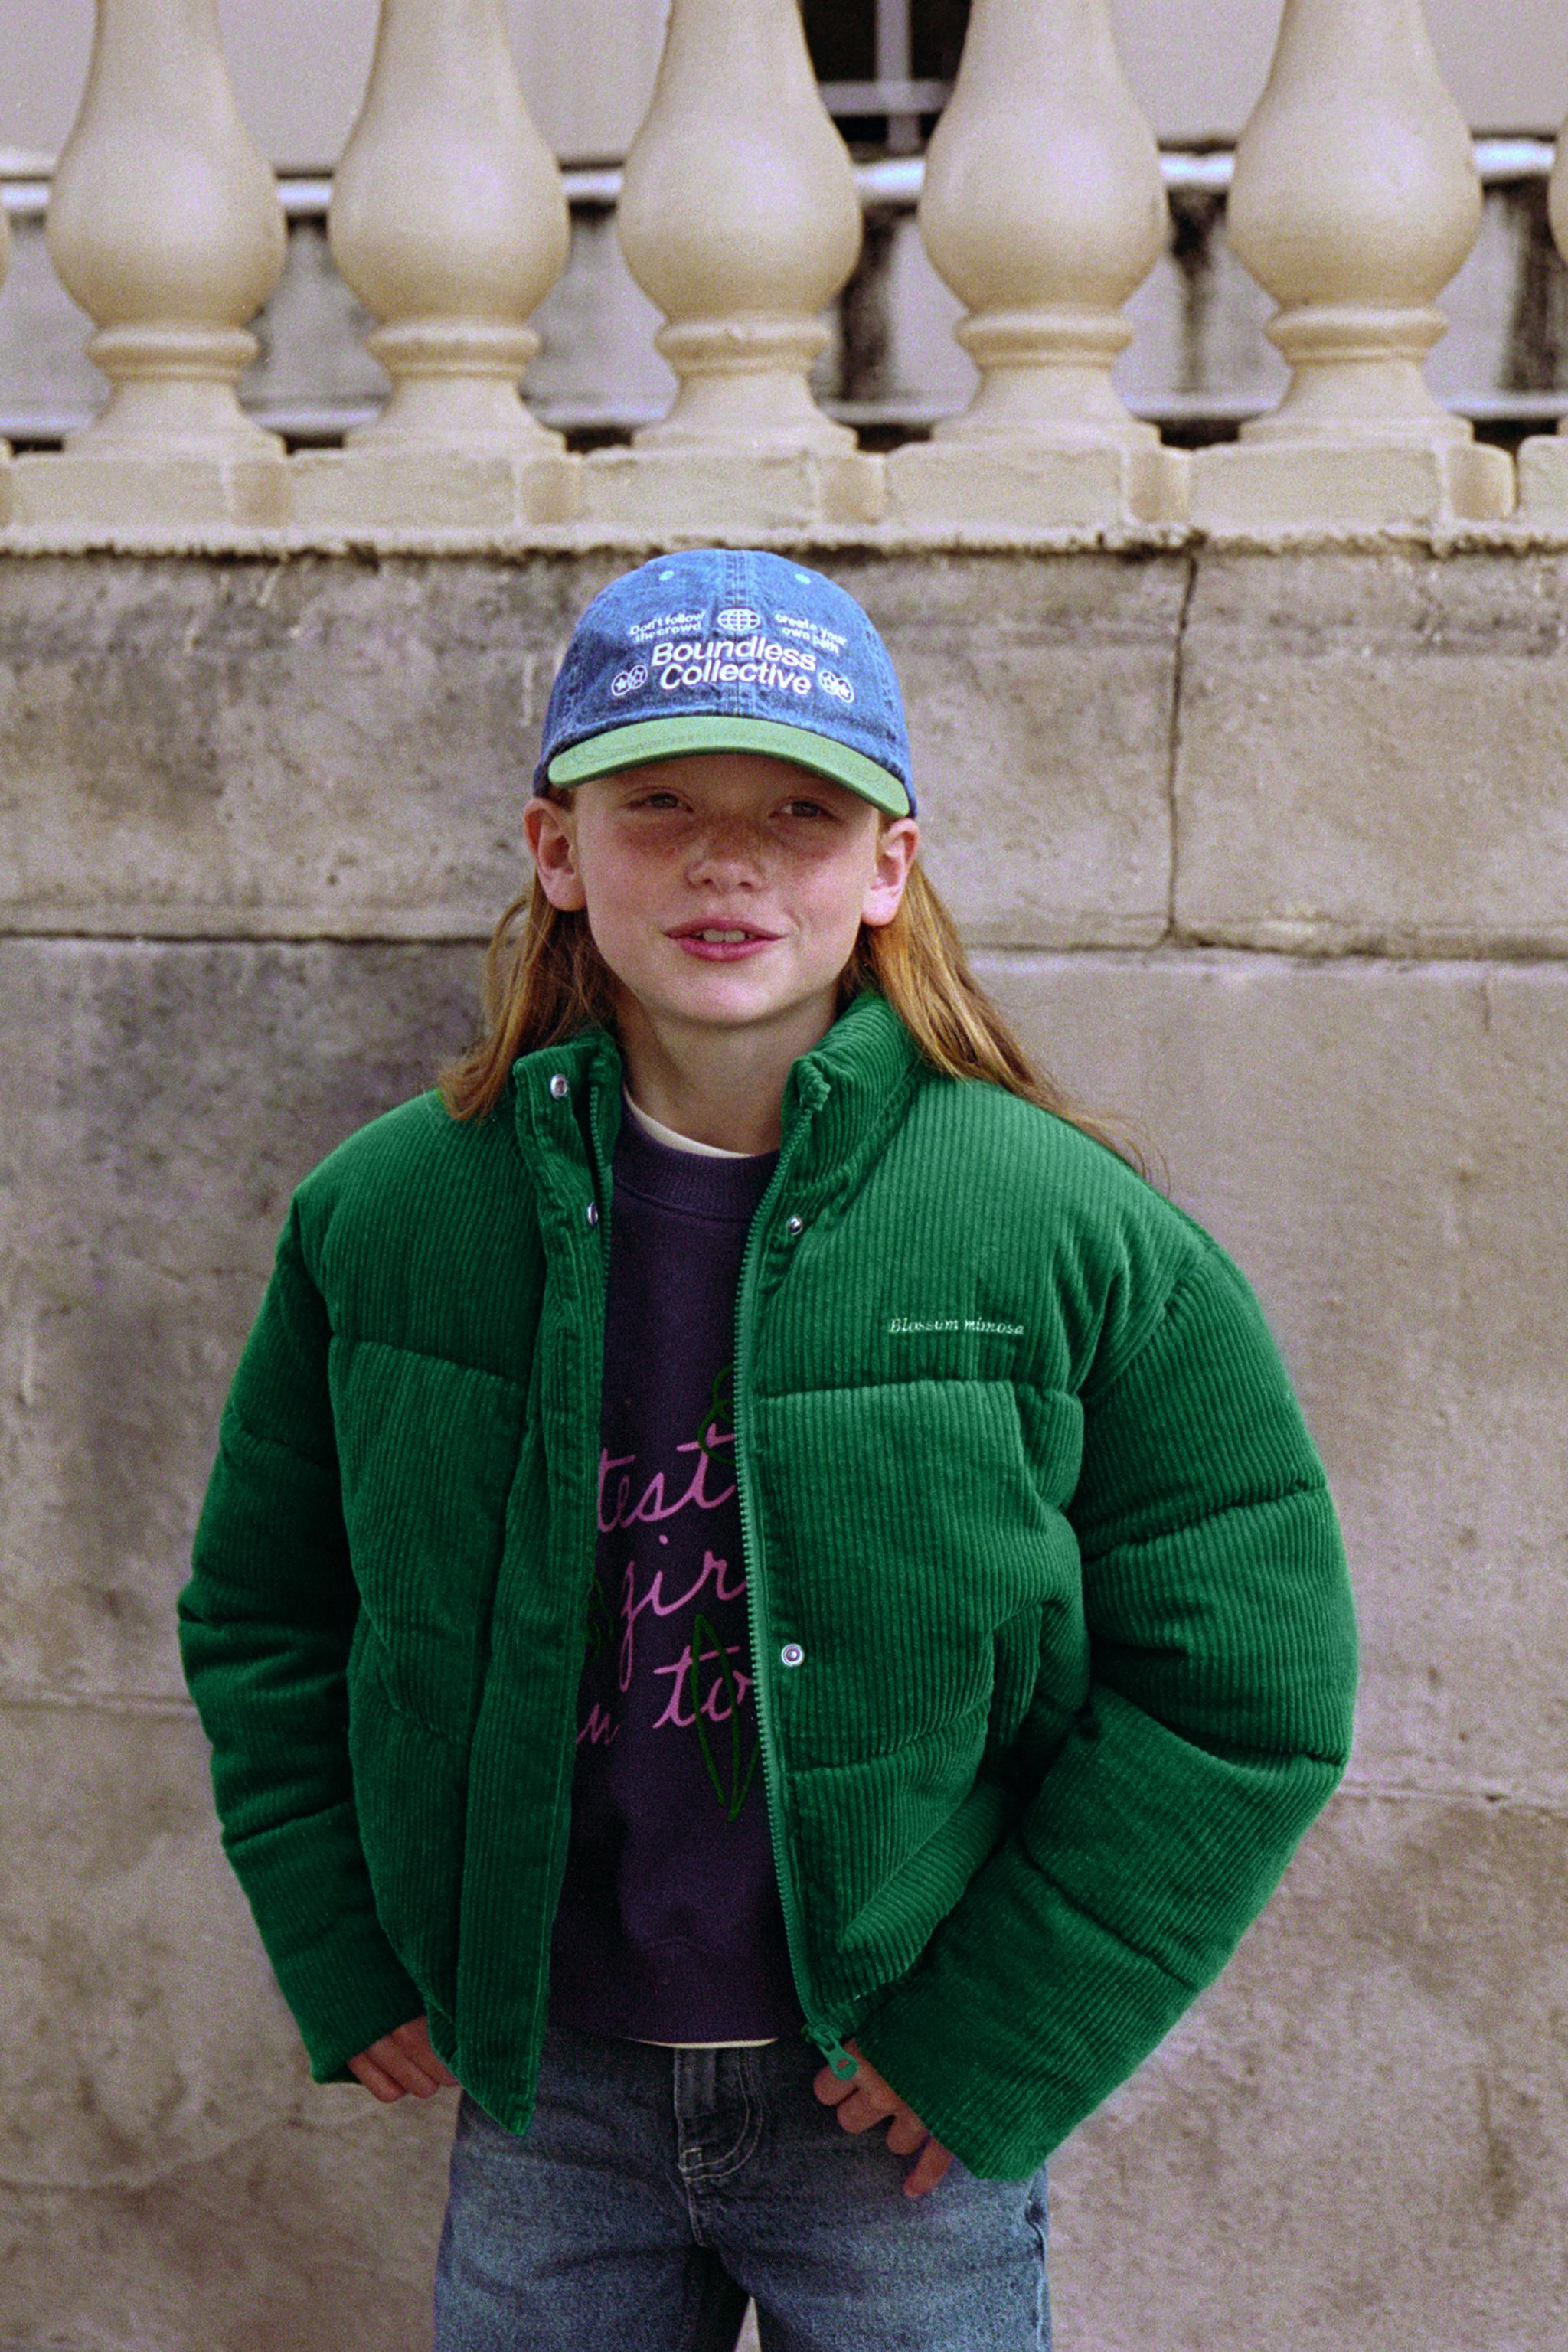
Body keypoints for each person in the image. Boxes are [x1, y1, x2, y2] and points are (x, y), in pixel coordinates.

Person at [177, 547, 1359, 2352]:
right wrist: (341, 1942)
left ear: (888, 865)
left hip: (890, 2122)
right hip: (545, 2092)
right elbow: (271, 1610)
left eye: (798, 813)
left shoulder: (1065, 1230)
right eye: (659, 806)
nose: (727, 862)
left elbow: (1243, 1689)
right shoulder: (391, 1216)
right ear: (556, 848)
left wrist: (1001, 2035)